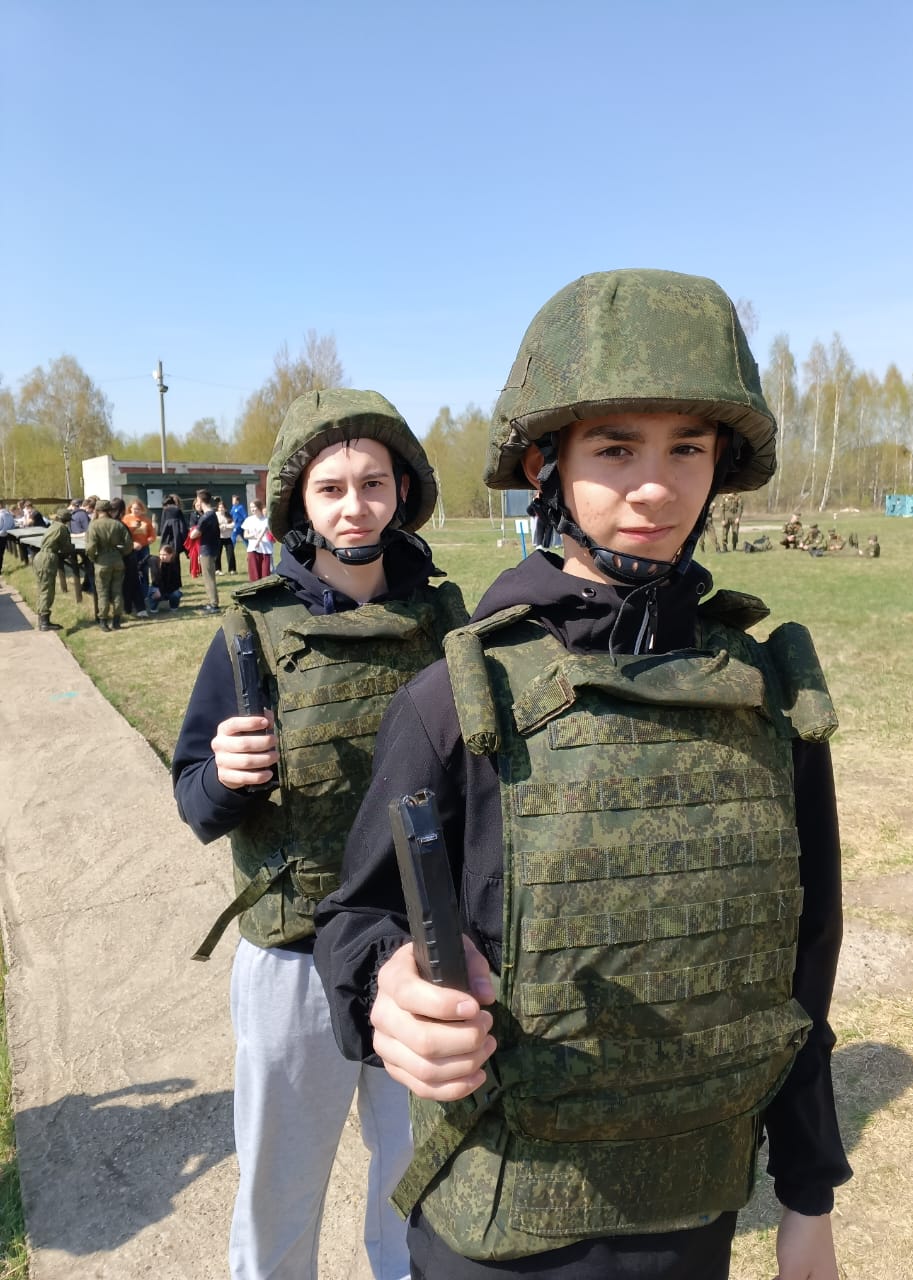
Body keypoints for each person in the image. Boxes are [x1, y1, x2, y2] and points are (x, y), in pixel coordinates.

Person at [315, 269, 852, 1280]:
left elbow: (805, 957)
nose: (656, 485)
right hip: (496, 1228)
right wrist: (386, 986)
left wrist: (808, 1197)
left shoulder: (766, 697)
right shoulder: (455, 698)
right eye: (615, 447)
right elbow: (359, 917)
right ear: (546, 465)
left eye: (687, 446)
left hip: (694, 1214)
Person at [172, 387, 468, 1280]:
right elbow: (195, 802)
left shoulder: (448, 624)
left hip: (418, 949)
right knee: (280, 1192)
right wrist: (225, 776)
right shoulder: (251, 633)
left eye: (373, 483)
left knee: (417, 1181)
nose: (355, 506)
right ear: (301, 502)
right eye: (331, 488)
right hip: (295, 957)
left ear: (403, 491)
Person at [86, 499, 133, 631]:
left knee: (103, 592)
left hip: (102, 561)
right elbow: (129, 544)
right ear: (110, 510)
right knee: (117, 591)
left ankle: (103, 622)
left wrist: (93, 557)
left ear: (97, 510)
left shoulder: (94, 525)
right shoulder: (117, 524)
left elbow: (90, 546)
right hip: (117, 560)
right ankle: (117, 621)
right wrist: (121, 553)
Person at [32, 508, 76, 632]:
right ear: (67, 520)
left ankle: (42, 619)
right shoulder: (62, 528)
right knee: (47, 589)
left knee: (42, 587)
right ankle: (44, 622)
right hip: (48, 557)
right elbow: (66, 547)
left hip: (40, 556)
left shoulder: (53, 526)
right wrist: (71, 548)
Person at [188, 490, 221, 613]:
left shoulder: (205, 517)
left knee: (208, 578)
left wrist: (192, 532)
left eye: (197, 499)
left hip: (207, 550)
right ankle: (213, 602)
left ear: (200, 500)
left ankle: (214, 605)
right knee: (209, 576)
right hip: (212, 548)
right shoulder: (212, 514)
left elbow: (193, 535)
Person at [122, 498, 156, 607]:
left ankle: (144, 593)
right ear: (130, 509)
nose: (136, 511)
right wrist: (133, 532)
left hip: (144, 548)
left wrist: (149, 540)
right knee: (132, 570)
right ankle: (132, 594)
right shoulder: (126, 519)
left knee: (144, 569)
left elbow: (152, 534)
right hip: (131, 548)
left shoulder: (146, 520)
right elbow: (124, 534)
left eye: (138, 509)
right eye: (134, 508)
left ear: (142, 509)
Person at [240, 500, 274, 580]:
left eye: (254, 507)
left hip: (265, 549)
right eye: (251, 507)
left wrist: (259, 539)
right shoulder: (248, 520)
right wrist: (254, 536)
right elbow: (245, 535)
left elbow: (268, 533)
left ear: (259, 507)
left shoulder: (266, 520)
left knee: (265, 574)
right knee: (254, 575)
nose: (252, 509)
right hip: (253, 549)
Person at [145, 543, 184, 611]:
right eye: (160, 554)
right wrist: (138, 569)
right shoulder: (155, 561)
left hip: (169, 589)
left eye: (164, 555)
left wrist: (162, 591)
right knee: (154, 592)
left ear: (171, 555)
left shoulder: (174, 566)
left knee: (176, 594)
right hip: (156, 588)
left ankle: (173, 607)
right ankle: (153, 607)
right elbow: (147, 558)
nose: (162, 557)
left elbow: (176, 584)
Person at [216, 498, 238, 574]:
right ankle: (217, 569)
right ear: (217, 508)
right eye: (219, 507)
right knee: (217, 554)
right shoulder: (216, 515)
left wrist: (225, 526)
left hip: (228, 537)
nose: (221, 509)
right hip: (219, 538)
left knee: (231, 553)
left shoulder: (228, 515)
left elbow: (233, 525)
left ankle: (232, 569)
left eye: (222, 507)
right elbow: (215, 526)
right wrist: (221, 527)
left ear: (225, 508)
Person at [0, 500, 15, 575]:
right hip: (5, 536)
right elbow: (13, 525)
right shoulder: (9, 514)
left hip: (0, 534)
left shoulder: (1, 514)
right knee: (1, 553)